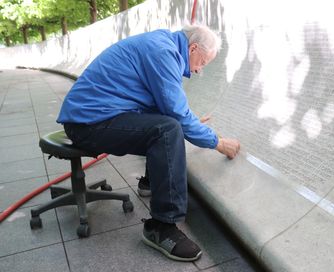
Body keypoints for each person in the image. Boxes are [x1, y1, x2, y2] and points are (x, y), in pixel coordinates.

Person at [57, 24, 240, 262]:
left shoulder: (161, 44)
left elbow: (165, 105)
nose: (198, 70)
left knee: (165, 124)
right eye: (202, 62)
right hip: (88, 124)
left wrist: (190, 119)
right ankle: (162, 226)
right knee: (167, 129)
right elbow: (175, 114)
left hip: (90, 117)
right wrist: (218, 142)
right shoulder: (163, 52)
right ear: (193, 48)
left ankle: (150, 182)